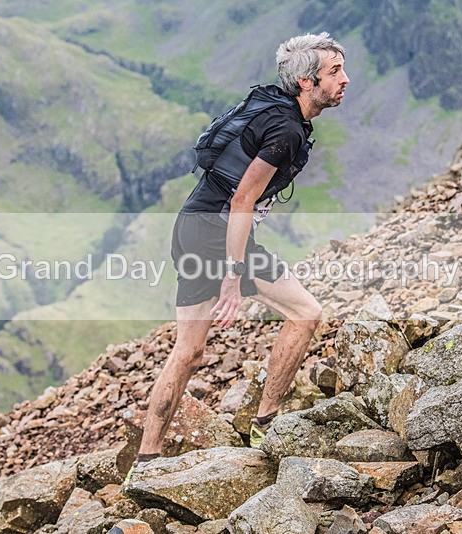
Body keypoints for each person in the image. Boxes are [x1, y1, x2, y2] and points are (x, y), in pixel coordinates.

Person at [129, 32, 349, 475]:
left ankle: (147, 456)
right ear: (306, 82)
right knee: (305, 313)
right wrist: (233, 276)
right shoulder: (286, 130)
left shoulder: (275, 108)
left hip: (191, 225)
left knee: (188, 352)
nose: (345, 80)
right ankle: (266, 423)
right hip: (218, 232)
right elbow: (241, 202)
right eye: (334, 72)